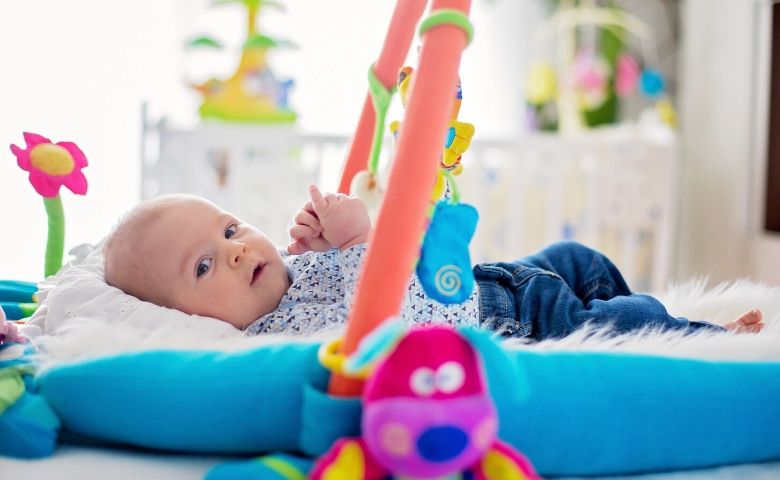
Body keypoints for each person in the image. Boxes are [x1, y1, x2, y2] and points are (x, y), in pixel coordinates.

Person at [103, 186, 764, 338]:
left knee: (579, 259)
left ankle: (657, 310)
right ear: (186, 317)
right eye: (203, 267)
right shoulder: (277, 339)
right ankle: (702, 338)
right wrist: (358, 239)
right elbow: (379, 318)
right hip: (510, 323)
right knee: (618, 326)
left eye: (229, 228)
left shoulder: (289, 272)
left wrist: (328, 241)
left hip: (496, 279)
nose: (237, 249)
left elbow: (350, 271)